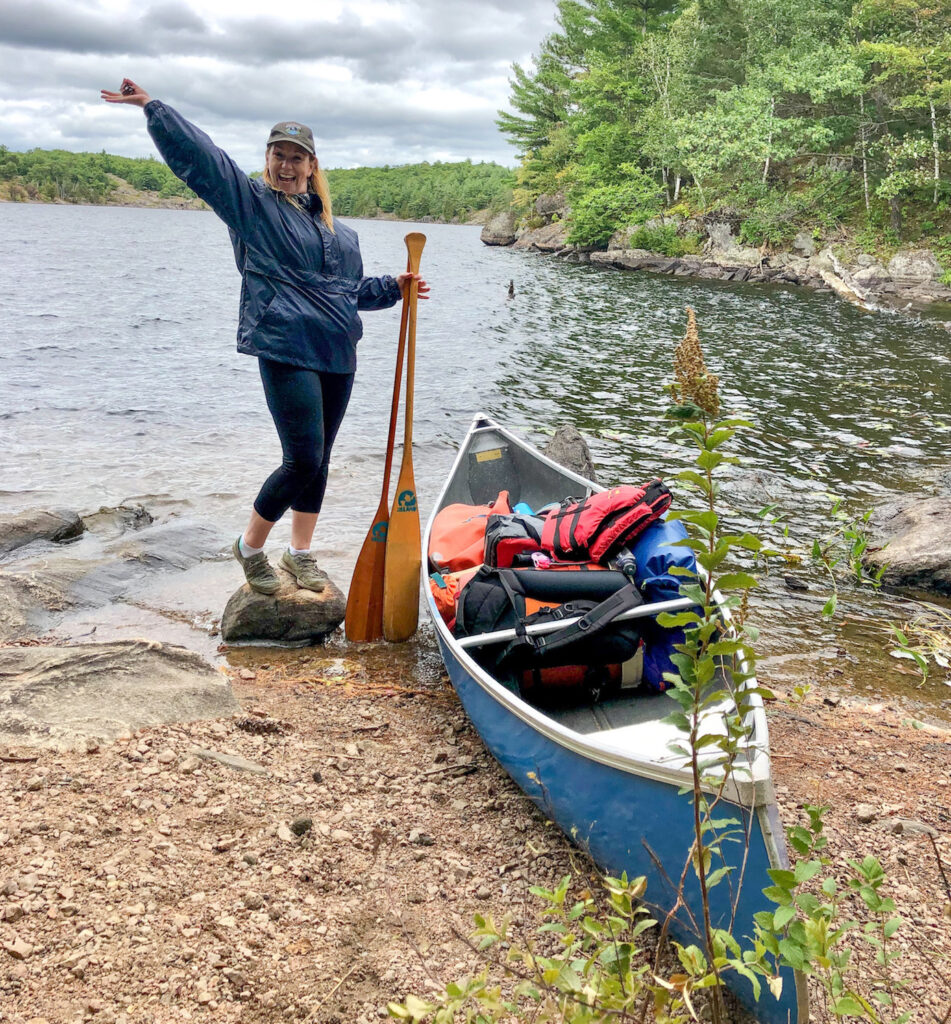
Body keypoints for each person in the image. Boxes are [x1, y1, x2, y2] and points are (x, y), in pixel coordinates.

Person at [102, 79, 429, 595]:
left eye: (297, 157)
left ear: (313, 165)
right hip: (285, 345)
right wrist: (154, 108)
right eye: (279, 155)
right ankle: (250, 546)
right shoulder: (254, 209)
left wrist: (394, 287)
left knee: (319, 462)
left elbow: (347, 291)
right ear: (268, 160)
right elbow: (206, 162)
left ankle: (300, 553)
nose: (287, 165)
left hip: (337, 353)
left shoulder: (342, 234)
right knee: (302, 459)